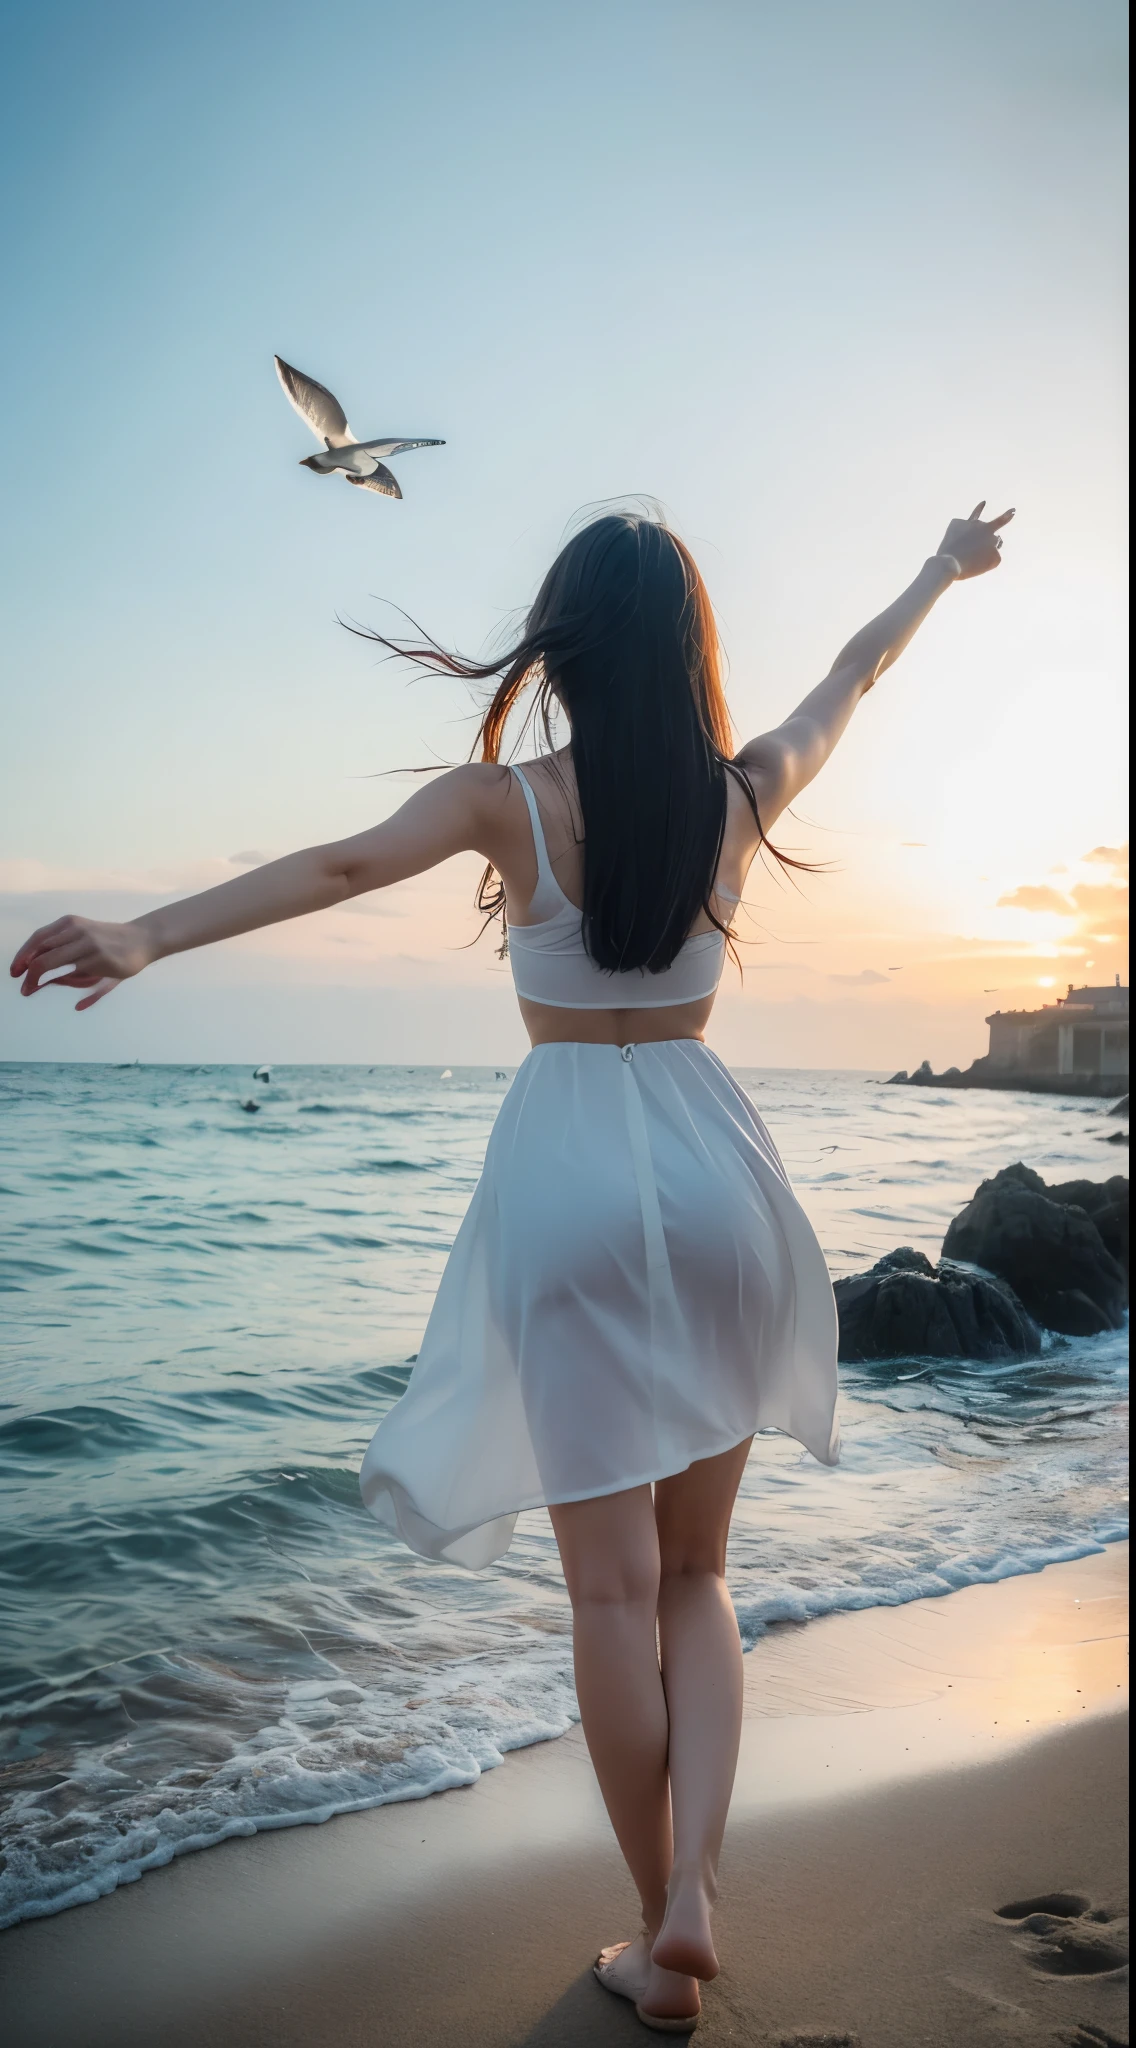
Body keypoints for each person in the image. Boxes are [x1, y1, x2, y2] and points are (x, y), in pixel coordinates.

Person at [10, 501, 1012, 2032]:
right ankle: (696, 1901)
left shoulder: (509, 802)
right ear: (688, 649)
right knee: (700, 1575)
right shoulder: (741, 795)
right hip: (722, 1173)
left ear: (565, 642)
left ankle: (650, 1928)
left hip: (567, 1186)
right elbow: (852, 675)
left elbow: (345, 867)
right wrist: (943, 568)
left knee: (608, 1594)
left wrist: (150, 936)